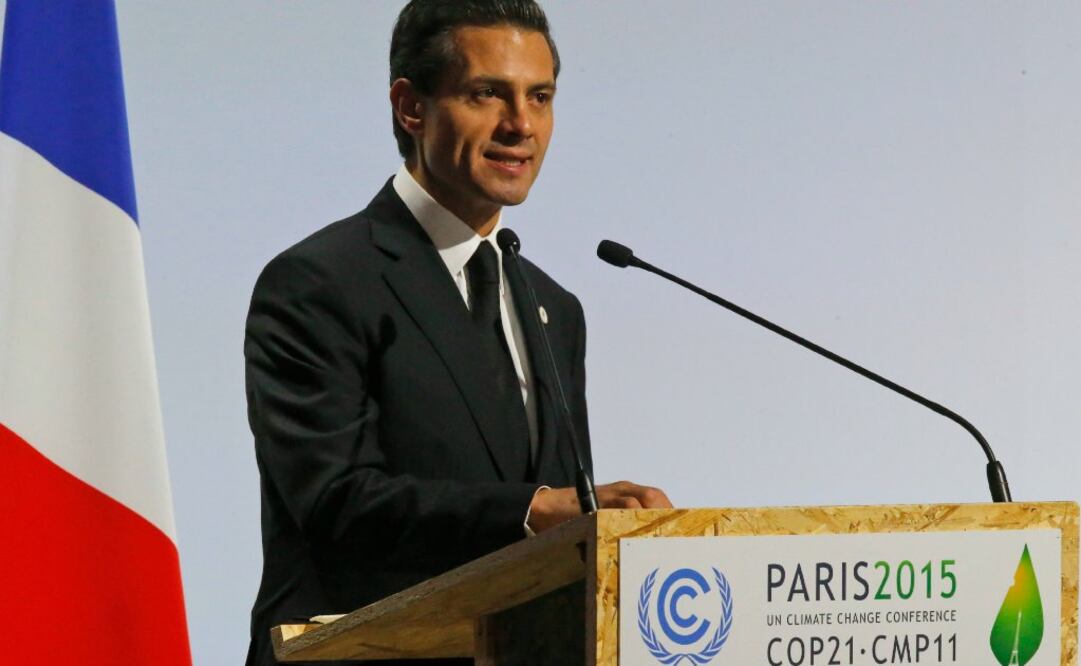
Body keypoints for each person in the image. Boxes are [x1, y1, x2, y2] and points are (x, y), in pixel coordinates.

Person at [244, 2, 671, 663]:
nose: (520, 125)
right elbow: (334, 503)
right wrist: (535, 510)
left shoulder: (553, 307)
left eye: (540, 97)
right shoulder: (318, 283)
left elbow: (558, 528)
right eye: (485, 94)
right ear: (410, 107)